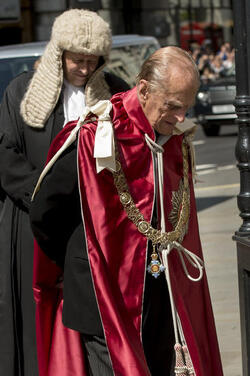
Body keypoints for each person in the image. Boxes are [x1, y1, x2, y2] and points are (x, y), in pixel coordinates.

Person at [30, 46, 224, 376]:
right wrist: (81, 260)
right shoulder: (94, 135)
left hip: (158, 297)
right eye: (173, 106)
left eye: (186, 107)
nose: (180, 118)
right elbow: (45, 212)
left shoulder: (173, 140)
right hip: (102, 295)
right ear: (145, 89)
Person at [0, 8, 129, 376]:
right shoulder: (20, 91)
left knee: (90, 317)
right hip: (30, 224)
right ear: (59, 54)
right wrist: (39, 195)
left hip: (90, 228)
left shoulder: (115, 93)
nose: (86, 70)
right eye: (78, 61)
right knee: (33, 311)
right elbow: (5, 153)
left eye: (93, 62)